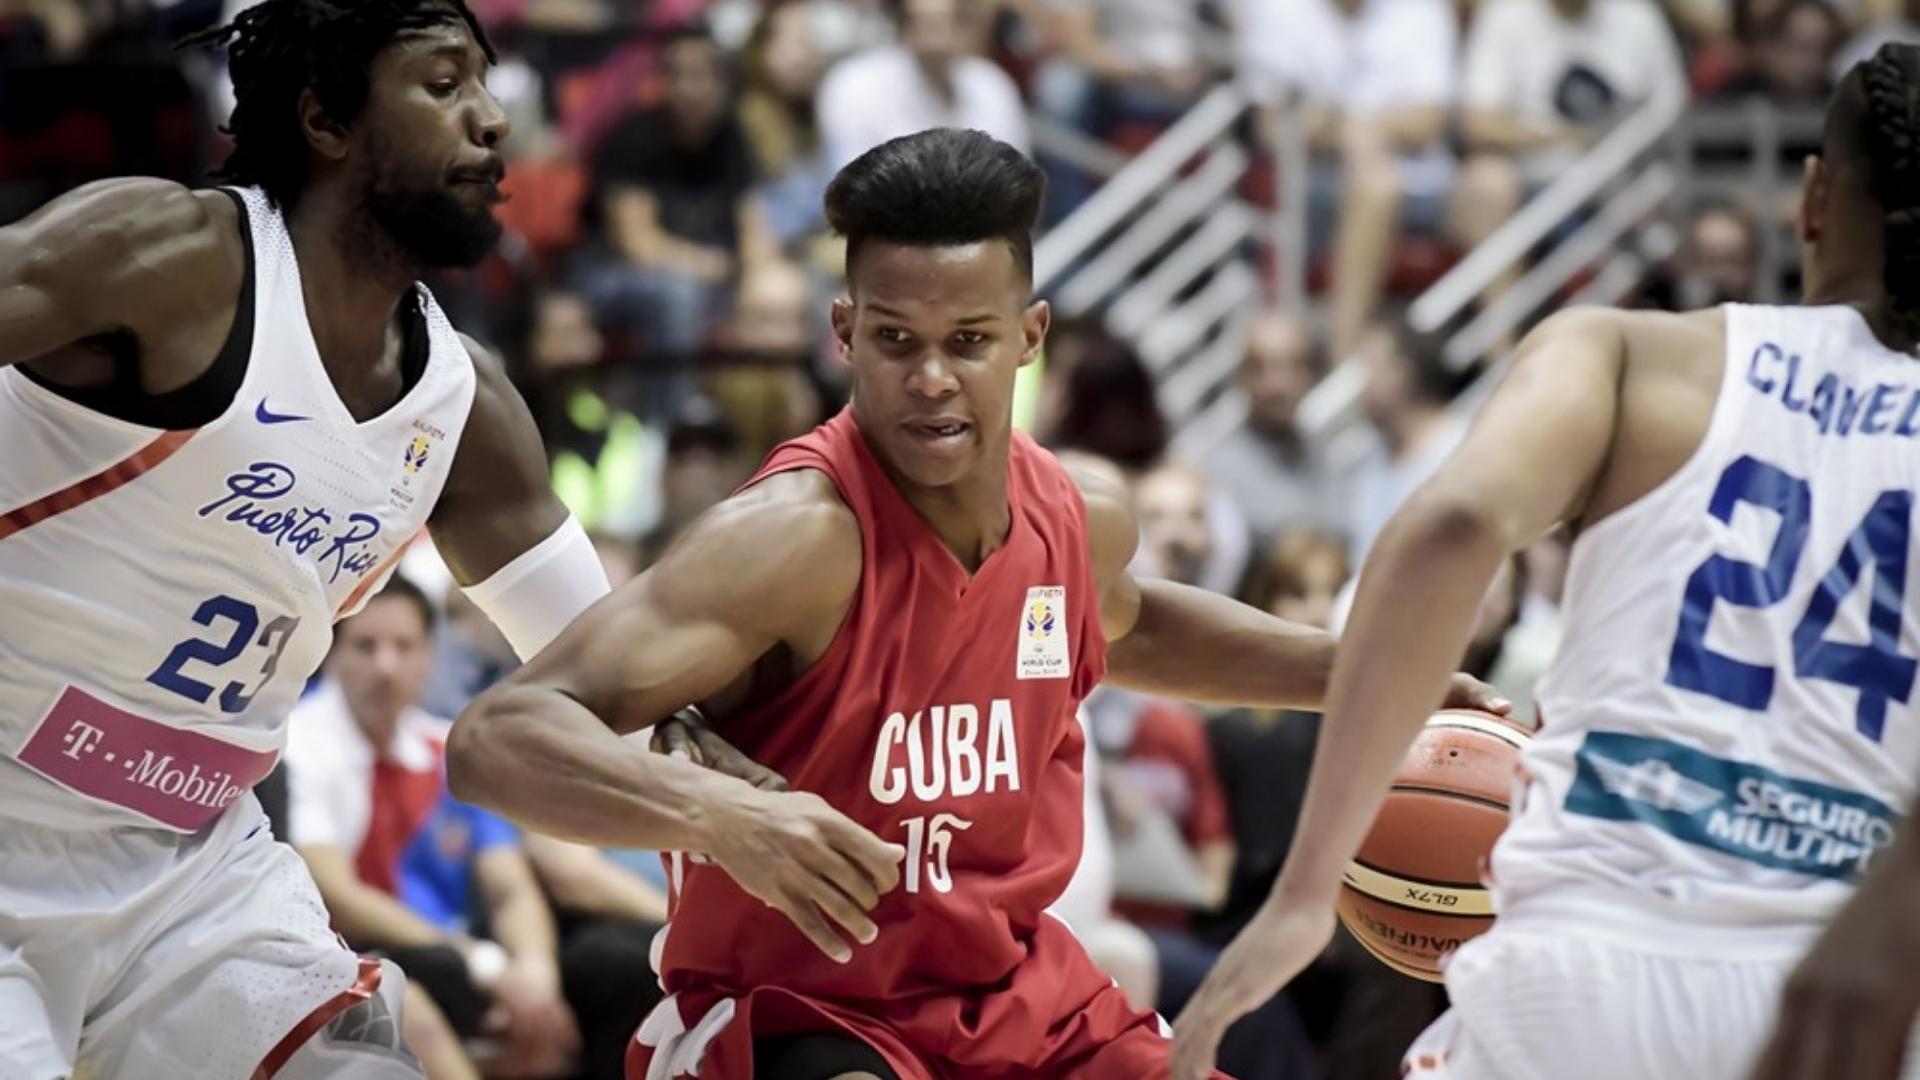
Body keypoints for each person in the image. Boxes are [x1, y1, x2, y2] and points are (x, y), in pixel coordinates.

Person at [453, 127, 1504, 1080]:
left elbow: (1132, 621)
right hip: (801, 1019)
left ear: (1029, 334)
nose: (932, 379)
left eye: (968, 339)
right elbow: (497, 737)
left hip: (1021, 1005)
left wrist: (1368, 675)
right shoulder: (792, 539)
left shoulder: (1077, 516)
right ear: (844, 332)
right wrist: (718, 817)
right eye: (897, 340)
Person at [0, 1, 899, 1076]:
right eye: (441, 85)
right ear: (327, 119)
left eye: (486, 85)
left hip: (190, 868)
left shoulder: (461, 407)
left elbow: (612, 690)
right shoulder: (173, 258)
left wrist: (761, 806)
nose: (490, 121)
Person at [1173, 42, 1920, 1080]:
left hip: (1592, 966)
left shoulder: (1634, 357)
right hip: (1849, 985)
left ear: (1811, 199)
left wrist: (1305, 896)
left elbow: (1451, 525)